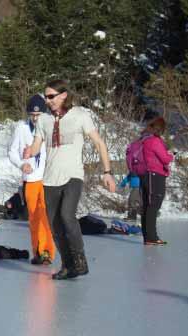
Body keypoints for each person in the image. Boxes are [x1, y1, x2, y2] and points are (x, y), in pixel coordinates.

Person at [24, 79, 116, 280]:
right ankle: (67, 265)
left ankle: (80, 261)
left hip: (72, 176)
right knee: (55, 225)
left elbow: (99, 143)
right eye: (46, 97)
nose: (47, 101)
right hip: (49, 179)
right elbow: (37, 145)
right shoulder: (44, 121)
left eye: (51, 96)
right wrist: (29, 152)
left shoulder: (80, 116)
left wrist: (107, 171)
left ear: (63, 95)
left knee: (67, 216)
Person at [8, 94, 56, 265]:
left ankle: (46, 252)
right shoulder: (21, 128)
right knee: (34, 217)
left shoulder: (51, 126)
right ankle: (37, 251)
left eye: (38, 115)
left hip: (48, 179)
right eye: (32, 115)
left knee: (45, 215)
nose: (35, 118)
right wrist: (21, 164)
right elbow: (12, 152)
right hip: (30, 179)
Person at [139, 116, 174, 245]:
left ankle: (147, 237)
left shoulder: (144, 139)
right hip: (155, 175)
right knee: (153, 206)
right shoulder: (154, 140)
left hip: (145, 175)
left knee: (148, 206)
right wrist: (171, 155)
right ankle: (152, 237)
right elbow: (165, 159)